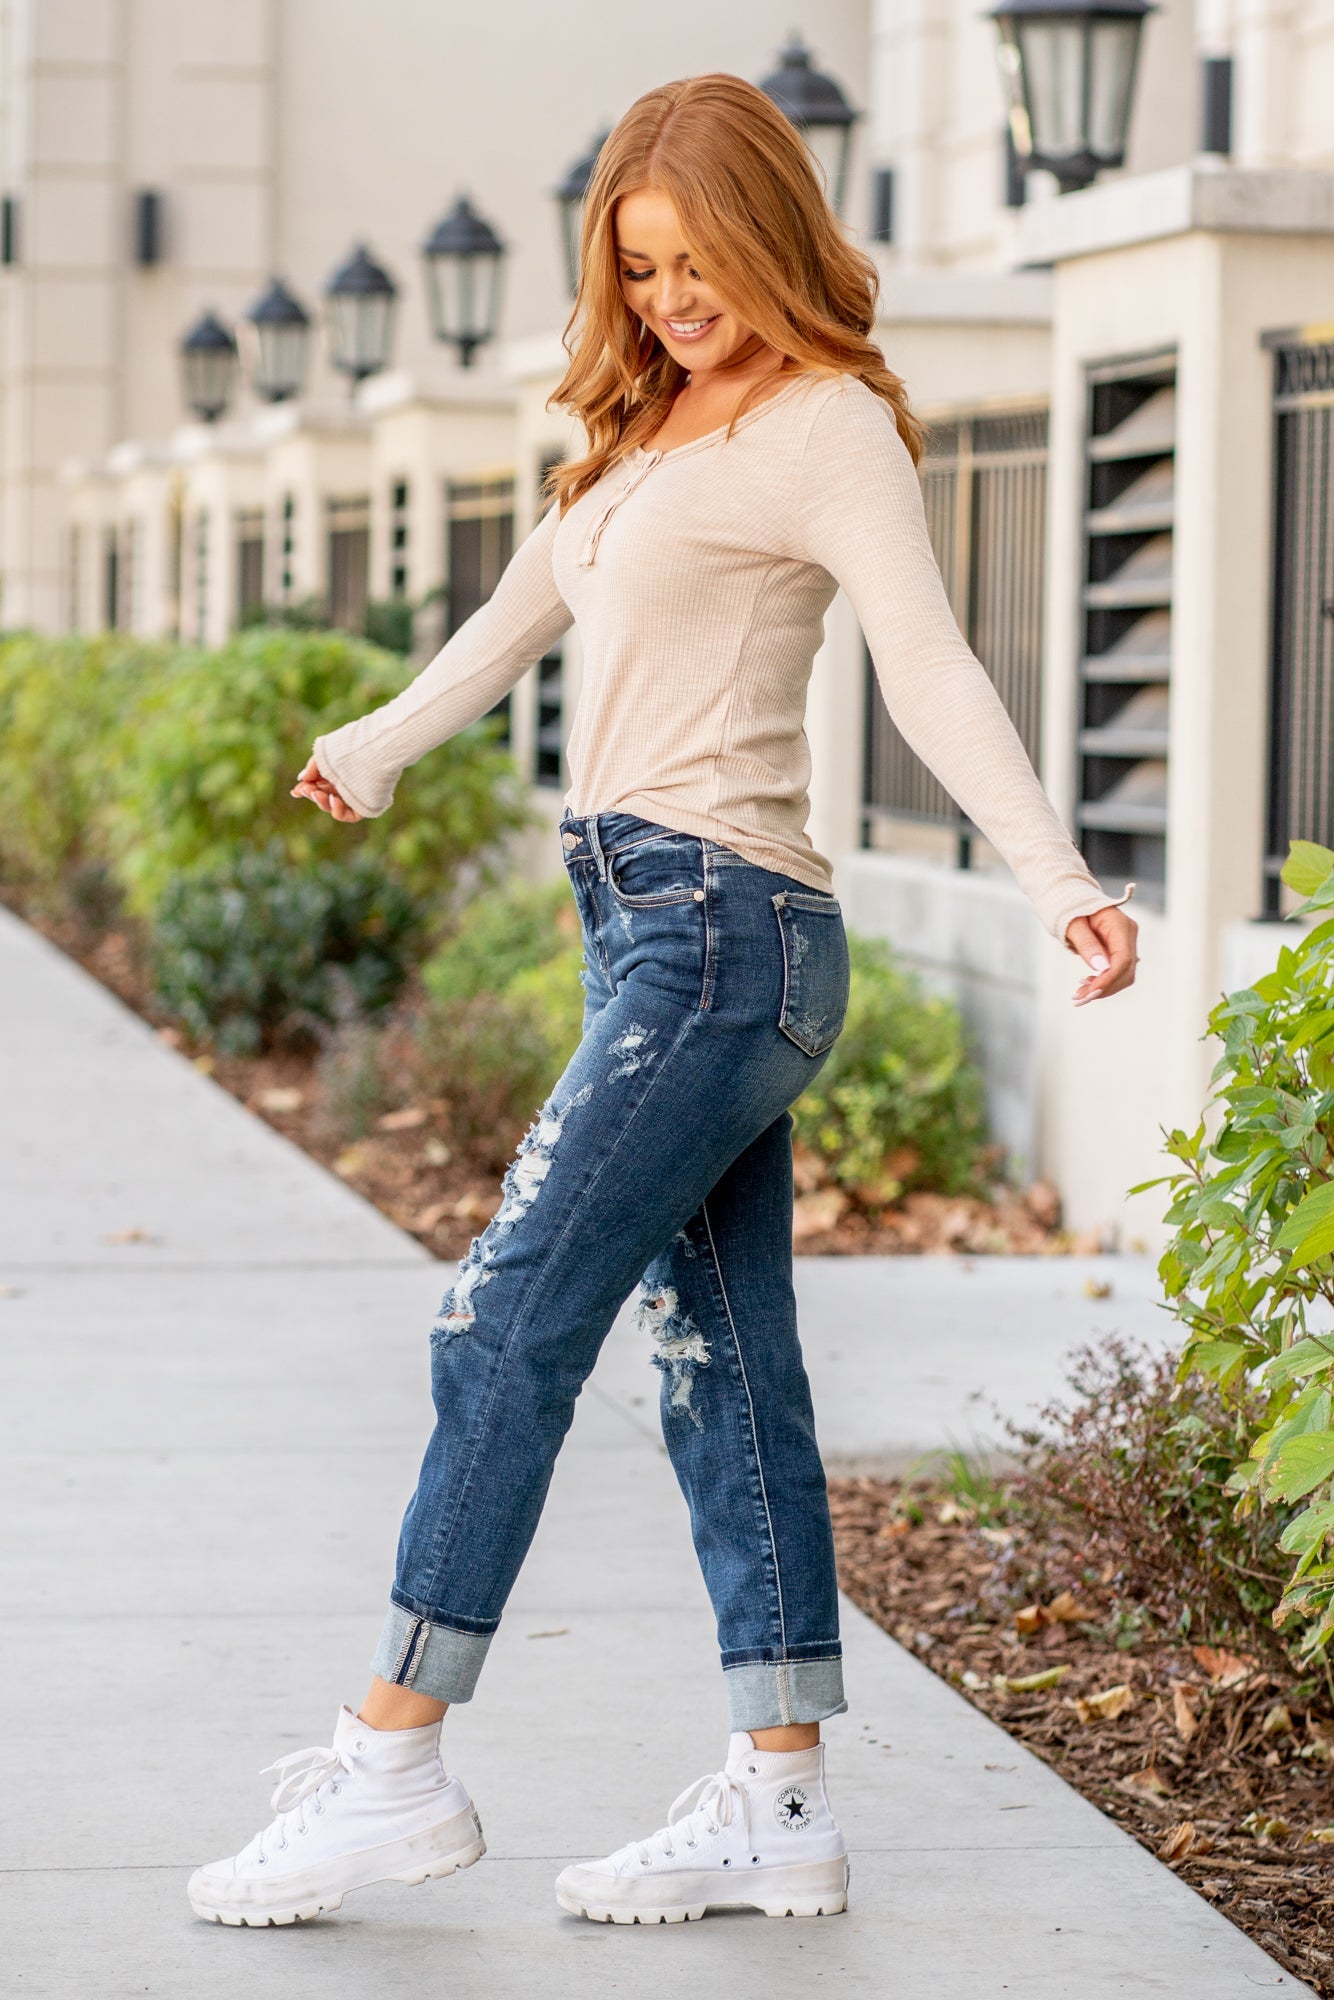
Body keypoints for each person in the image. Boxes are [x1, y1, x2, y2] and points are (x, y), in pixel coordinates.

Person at [187, 71, 1137, 1931]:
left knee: (499, 1320)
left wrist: (1058, 880)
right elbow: (517, 616)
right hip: (656, 933)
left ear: (769, 236)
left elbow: (930, 665)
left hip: (722, 937)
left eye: (699, 261)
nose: (672, 297)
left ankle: (391, 1764)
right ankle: (780, 1805)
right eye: (639, 267)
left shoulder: (824, 424)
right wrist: (370, 748)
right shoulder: (639, 431)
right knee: (721, 1363)